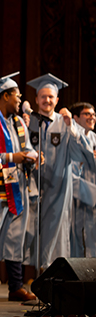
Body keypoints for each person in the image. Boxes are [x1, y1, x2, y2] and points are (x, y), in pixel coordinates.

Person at [0, 72, 38, 301]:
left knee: (15, 237)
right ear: (5, 96)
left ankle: (15, 287)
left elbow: (26, 148)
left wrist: (32, 157)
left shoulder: (19, 121)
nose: (20, 99)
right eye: (17, 95)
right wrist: (13, 156)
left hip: (17, 186)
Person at [23, 73, 90, 270]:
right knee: (31, 232)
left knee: (56, 231)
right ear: (36, 99)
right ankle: (33, 276)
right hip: (34, 185)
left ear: (57, 100)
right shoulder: (30, 122)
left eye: (51, 97)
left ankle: (51, 273)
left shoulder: (65, 122)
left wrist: (72, 127)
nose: (47, 100)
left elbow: (81, 153)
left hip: (59, 186)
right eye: (43, 96)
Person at [68, 102, 96, 257]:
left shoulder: (95, 139)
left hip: (93, 202)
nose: (92, 117)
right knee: (75, 238)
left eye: (93, 114)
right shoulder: (70, 140)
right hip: (75, 199)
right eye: (87, 114)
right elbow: (69, 172)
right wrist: (90, 193)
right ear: (76, 119)